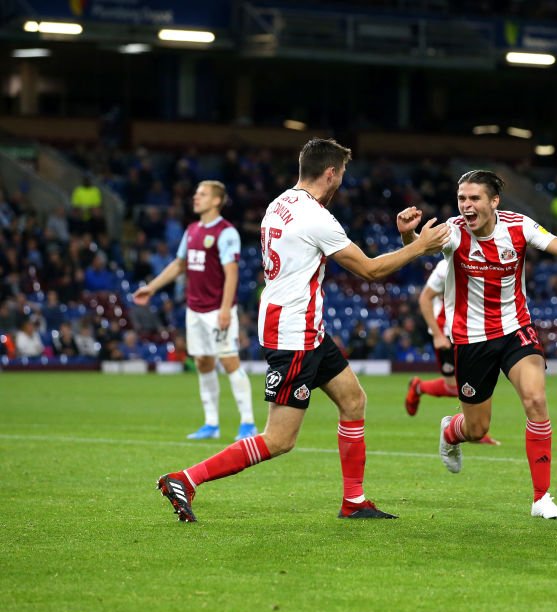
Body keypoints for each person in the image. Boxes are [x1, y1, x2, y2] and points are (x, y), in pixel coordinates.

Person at [156, 138, 449, 522]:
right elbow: (371, 270)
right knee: (279, 439)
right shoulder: (317, 218)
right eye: (341, 174)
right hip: (293, 331)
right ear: (330, 172)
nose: (342, 181)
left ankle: (354, 501)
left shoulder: (279, 204)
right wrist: (420, 245)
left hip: (302, 325)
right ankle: (185, 479)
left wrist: (409, 243)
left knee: (353, 400)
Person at [435, 170, 557, 519]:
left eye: (474, 198)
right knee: (476, 429)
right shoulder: (452, 231)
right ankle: (449, 430)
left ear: (494, 201)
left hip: (515, 329)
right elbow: (416, 245)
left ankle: (541, 498)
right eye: (462, 198)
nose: (466, 205)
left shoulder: (518, 226)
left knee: (536, 399)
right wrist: (406, 233)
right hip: (471, 339)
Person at [133, 180, 258, 441]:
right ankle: (211, 424)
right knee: (202, 361)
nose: (195, 197)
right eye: (196, 193)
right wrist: (151, 287)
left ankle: (248, 423)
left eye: (202, 194)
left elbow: (231, 273)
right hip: (195, 309)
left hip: (217, 310)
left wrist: (226, 309)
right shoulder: (191, 231)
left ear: (216, 201)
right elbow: (179, 265)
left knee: (229, 360)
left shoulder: (226, 232)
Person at [404, 258, 499, 445]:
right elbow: (425, 298)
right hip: (447, 334)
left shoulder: (483, 259)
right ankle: (473, 427)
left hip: (472, 333)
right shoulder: (445, 266)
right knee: (456, 387)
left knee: (474, 383)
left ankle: (474, 428)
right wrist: (438, 335)